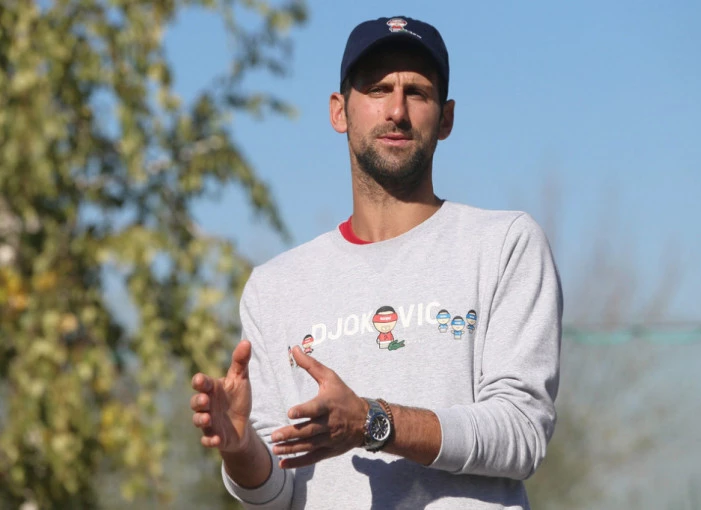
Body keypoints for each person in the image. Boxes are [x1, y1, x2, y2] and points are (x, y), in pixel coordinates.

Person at [190, 15, 562, 510]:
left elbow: (521, 432)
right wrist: (240, 451)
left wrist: (372, 422)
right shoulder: (274, 287)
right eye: (377, 89)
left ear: (446, 118)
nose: (397, 111)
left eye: (418, 93)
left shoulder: (504, 244)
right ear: (339, 111)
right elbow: (276, 492)